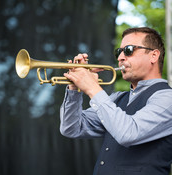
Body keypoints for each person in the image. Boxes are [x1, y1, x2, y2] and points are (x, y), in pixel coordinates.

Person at [59, 27, 172, 175]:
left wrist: (92, 88)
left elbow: (129, 133)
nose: (120, 58)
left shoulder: (167, 98)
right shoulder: (117, 98)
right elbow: (71, 128)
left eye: (129, 50)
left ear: (153, 56)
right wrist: (74, 89)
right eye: (119, 52)